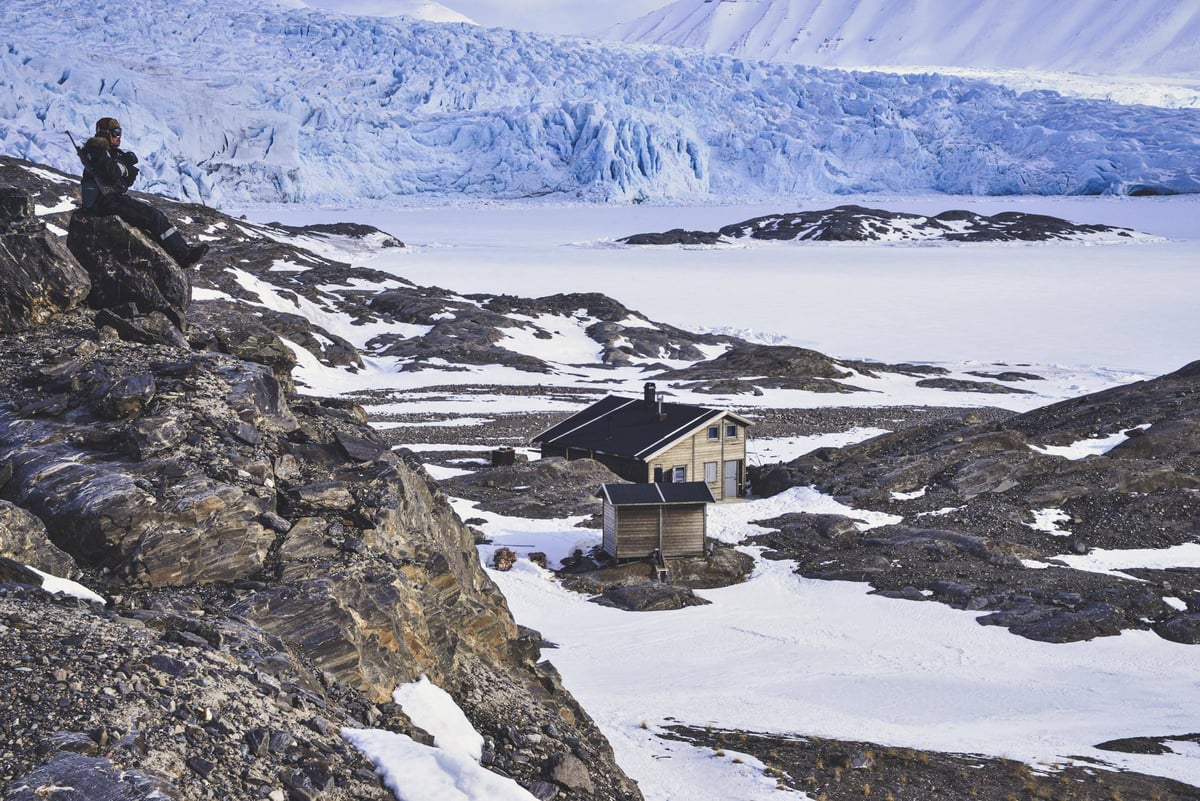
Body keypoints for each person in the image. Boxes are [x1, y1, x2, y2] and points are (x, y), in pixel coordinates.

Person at [78, 117, 209, 267]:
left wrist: (124, 166)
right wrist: (123, 166)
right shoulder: (97, 150)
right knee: (153, 217)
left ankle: (179, 252)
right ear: (105, 133)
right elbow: (113, 173)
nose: (119, 136)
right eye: (115, 132)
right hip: (105, 202)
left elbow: (127, 180)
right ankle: (183, 255)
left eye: (119, 132)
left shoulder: (108, 153)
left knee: (152, 217)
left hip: (108, 199)